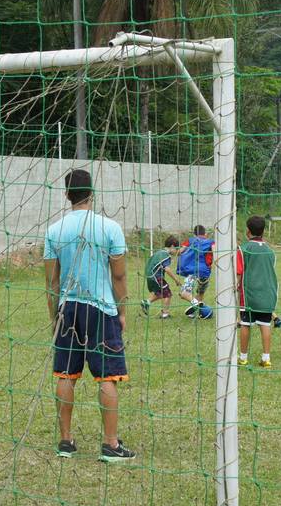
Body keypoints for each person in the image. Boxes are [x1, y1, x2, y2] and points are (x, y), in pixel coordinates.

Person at [44, 169, 135, 461]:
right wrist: (122, 311)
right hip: (101, 309)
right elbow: (119, 277)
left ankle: (65, 442)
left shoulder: (54, 230)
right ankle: (110, 444)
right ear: (92, 193)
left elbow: (52, 283)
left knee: (65, 373)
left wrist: (53, 316)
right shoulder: (110, 228)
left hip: (67, 310)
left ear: (66, 194)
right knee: (107, 376)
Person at [237, 215, 278, 368]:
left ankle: (243, 357)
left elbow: (239, 271)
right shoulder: (270, 251)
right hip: (268, 293)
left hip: (250, 294)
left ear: (248, 231)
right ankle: (266, 358)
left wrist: (236, 284)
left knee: (246, 323)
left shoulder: (243, 249)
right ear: (263, 231)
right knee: (265, 324)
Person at [141, 235, 182, 319]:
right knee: (168, 294)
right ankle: (165, 314)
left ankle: (146, 302)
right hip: (156, 276)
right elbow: (167, 269)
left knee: (160, 293)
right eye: (176, 249)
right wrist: (176, 279)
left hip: (150, 276)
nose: (177, 251)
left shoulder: (159, 252)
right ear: (172, 246)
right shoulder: (166, 255)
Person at [177, 225, 214, 317]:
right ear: (205, 234)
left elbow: (180, 252)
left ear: (194, 234)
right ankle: (194, 312)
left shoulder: (190, 241)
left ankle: (195, 303)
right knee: (200, 292)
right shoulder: (211, 242)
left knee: (184, 293)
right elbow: (215, 251)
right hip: (205, 272)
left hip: (192, 271)